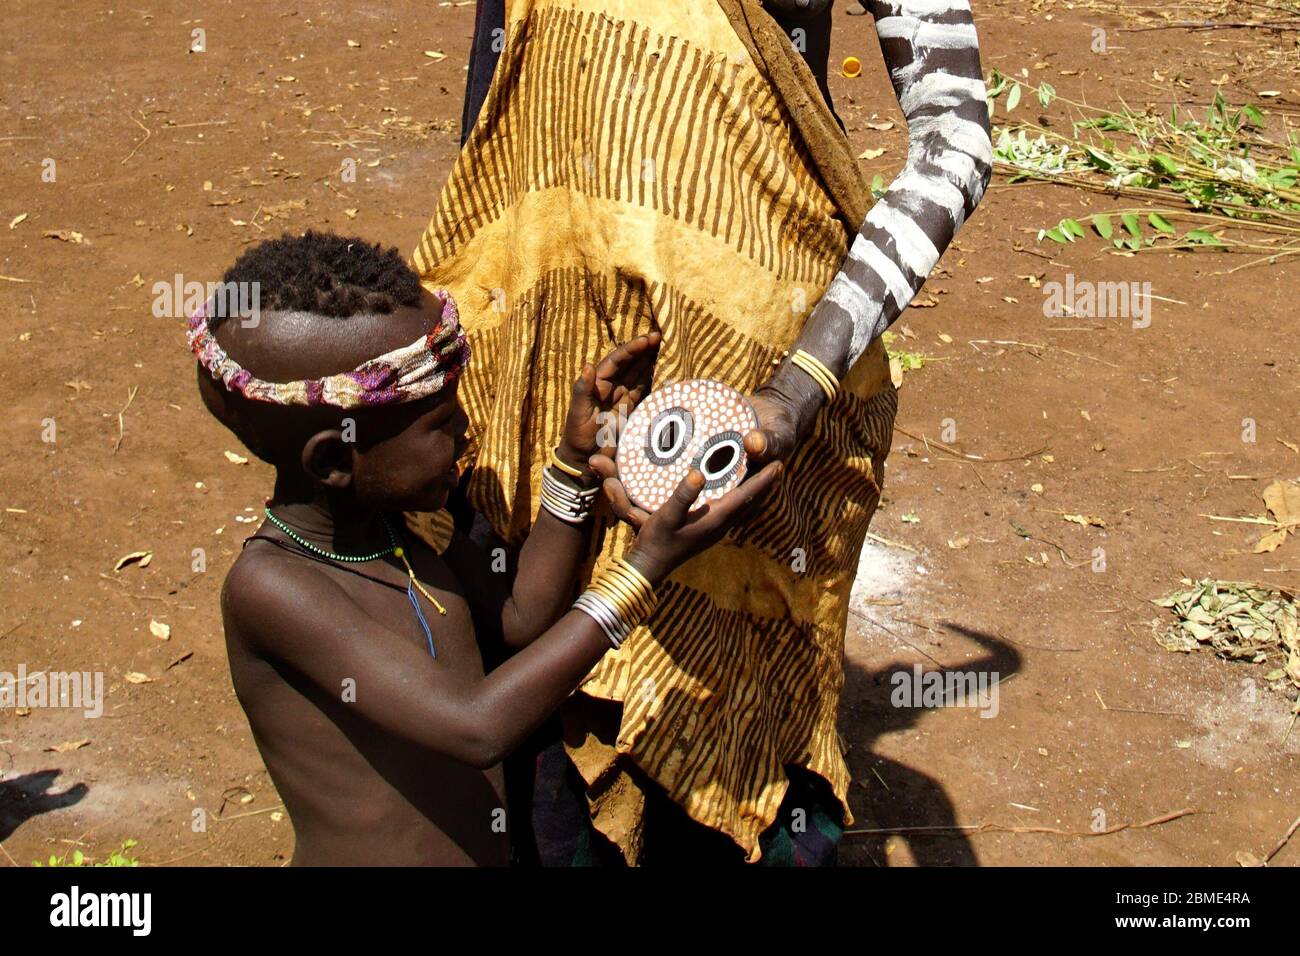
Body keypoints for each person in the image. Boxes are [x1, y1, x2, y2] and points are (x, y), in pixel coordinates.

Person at [416, 0, 993, 863]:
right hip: (553, 337)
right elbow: (500, 104)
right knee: (539, 675)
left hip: (753, 372)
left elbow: (958, 145)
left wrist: (801, 388)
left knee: (730, 689)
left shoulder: (781, 396)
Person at [191, 231, 781, 865]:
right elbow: (477, 727)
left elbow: (522, 620)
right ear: (336, 458)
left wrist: (577, 462)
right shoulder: (274, 589)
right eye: (441, 423)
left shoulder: (404, 532)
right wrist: (643, 571)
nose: (466, 427)